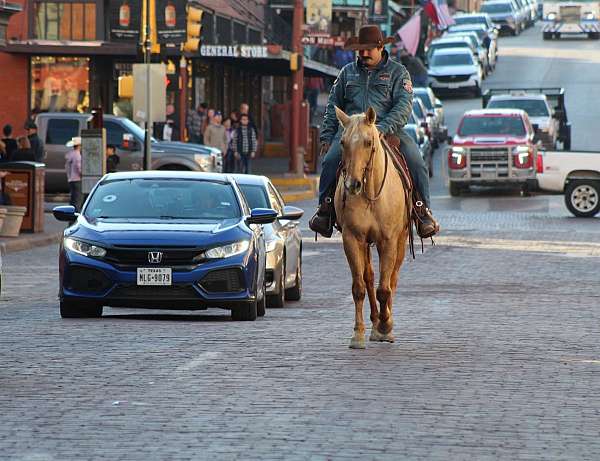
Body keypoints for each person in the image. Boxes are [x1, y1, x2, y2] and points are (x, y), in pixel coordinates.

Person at [309, 24, 439, 239]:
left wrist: (381, 128)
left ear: (381, 48)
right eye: (361, 49)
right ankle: (325, 209)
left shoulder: (398, 73)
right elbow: (334, 106)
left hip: (389, 132)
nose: (364, 53)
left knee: (416, 162)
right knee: (331, 160)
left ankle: (422, 210)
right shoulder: (346, 73)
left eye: (369, 49)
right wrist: (327, 135)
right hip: (351, 134)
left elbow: (404, 106)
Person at [65, 136, 82, 211]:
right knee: (77, 201)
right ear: (79, 145)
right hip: (78, 179)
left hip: (71, 179)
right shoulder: (78, 155)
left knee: (73, 200)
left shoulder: (70, 154)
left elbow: (67, 167)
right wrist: (83, 174)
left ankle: (70, 217)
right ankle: (75, 218)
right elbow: (79, 167)